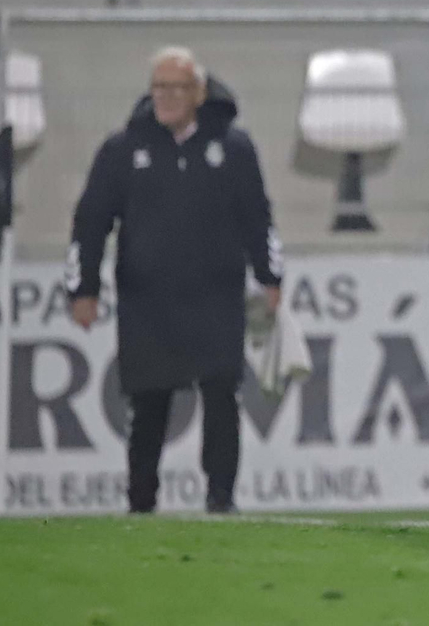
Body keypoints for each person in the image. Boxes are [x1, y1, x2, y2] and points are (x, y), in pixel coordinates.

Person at [65, 47, 283, 514]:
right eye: (158, 87)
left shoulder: (234, 148)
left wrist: (270, 275)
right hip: (148, 300)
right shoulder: (123, 149)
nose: (164, 97)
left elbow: (257, 218)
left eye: (176, 88)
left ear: (199, 93)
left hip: (216, 296)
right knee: (148, 403)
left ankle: (221, 498)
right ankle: (141, 501)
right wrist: (82, 288)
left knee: (222, 393)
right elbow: (90, 223)